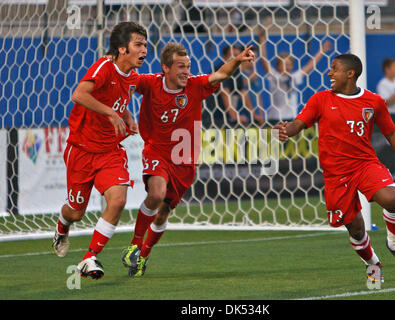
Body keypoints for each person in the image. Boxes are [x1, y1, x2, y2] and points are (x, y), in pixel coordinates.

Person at [274, 54, 395, 284]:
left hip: (365, 164)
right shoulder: (320, 99)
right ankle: (373, 264)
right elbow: (298, 124)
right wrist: (284, 131)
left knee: (391, 199)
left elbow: (391, 132)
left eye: (335, 69)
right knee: (356, 231)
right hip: (336, 175)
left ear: (350, 74)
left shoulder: (373, 102)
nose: (329, 73)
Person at [121, 42, 256, 277]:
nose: (186, 71)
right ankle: (133, 245)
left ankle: (143, 256)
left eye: (188, 66)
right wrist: (126, 113)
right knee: (156, 194)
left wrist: (237, 60)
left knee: (163, 212)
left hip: (184, 160)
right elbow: (122, 85)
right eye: (180, 66)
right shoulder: (149, 83)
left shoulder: (195, 85)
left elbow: (221, 74)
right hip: (157, 152)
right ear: (166, 68)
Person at [52, 22, 148, 280]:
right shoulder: (104, 66)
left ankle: (89, 257)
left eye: (145, 45)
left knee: (117, 200)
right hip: (81, 149)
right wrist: (111, 113)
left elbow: (118, 98)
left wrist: (126, 116)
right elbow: (78, 94)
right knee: (76, 212)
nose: (144, 50)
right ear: (122, 48)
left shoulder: (133, 77)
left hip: (110, 150)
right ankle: (63, 226)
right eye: (138, 45)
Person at [259, 28, 333, 121]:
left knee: (291, 135)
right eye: (284, 64)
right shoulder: (275, 77)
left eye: (289, 64)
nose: (287, 67)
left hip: (292, 117)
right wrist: (262, 40)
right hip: (276, 118)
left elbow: (310, 66)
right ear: (278, 66)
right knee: (276, 136)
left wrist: (322, 51)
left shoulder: (294, 77)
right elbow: (263, 60)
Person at [214, 45, 263, 127]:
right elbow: (224, 92)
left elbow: (243, 93)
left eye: (237, 55)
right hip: (215, 116)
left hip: (227, 117)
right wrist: (234, 116)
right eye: (232, 55)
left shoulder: (236, 71)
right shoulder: (220, 69)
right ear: (224, 57)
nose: (234, 58)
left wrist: (254, 115)